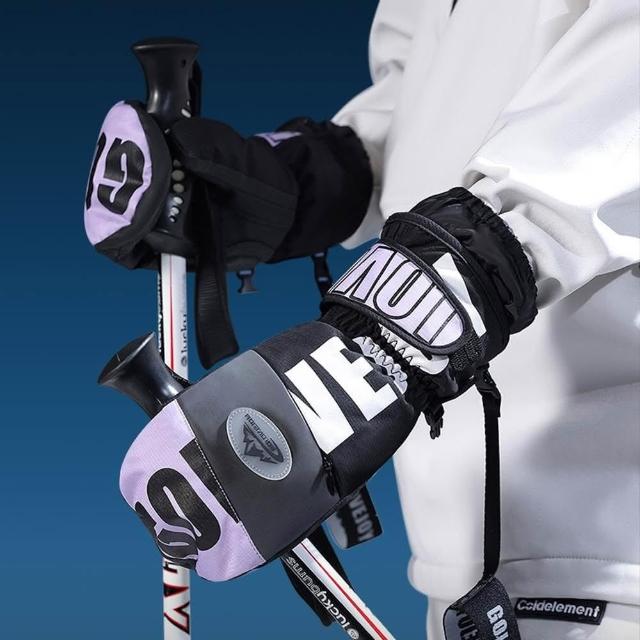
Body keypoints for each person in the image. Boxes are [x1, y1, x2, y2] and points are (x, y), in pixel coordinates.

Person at [86, 1, 639, 638]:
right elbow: (422, 107)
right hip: (467, 563)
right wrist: (294, 183)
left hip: (609, 550)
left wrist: (391, 331)